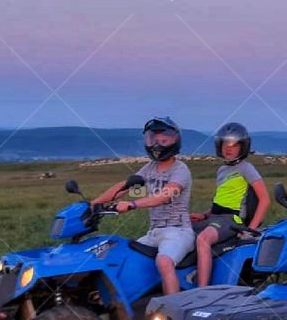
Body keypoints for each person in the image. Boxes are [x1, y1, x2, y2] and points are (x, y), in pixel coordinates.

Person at [91, 116, 193, 296]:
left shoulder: (180, 169)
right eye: (153, 139)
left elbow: (164, 195)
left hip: (178, 231)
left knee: (164, 261)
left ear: (175, 140)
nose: (157, 144)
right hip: (154, 232)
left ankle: (173, 311)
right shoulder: (150, 168)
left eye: (163, 140)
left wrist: (132, 204)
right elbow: (125, 187)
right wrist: (94, 203)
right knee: (125, 256)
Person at [191, 122, 270, 287]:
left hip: (232, 219)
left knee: (203, 240)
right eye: (226, 144)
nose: (229, 148)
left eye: (234, 145)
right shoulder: (222, 170)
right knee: (182, 229)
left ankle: (201, 290)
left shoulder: (246, 168)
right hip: (216, 217)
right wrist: (205, 214)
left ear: (243, 147)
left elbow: (264, 199)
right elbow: (222, 200)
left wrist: (251, 229)